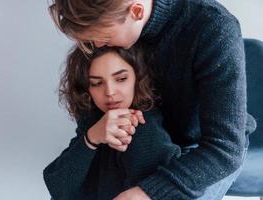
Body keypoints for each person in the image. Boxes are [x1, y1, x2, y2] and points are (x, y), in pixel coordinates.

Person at [47, 0, 258, 199]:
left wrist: (149, 192)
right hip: (137, 139)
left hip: (203, 150)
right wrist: (91, 138)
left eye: (104, 35)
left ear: (136, 12)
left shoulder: (213, 27)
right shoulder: (104, 24)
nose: (97, 44)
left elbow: (225, 149)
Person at [43, 45, 181, 200]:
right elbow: (58, 188)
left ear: (138, 77)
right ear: (87, 88)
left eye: (121, 79)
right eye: (96, 83)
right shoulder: (93, 121)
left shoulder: (142, 128)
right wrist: (91, 138)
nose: (109, 92)